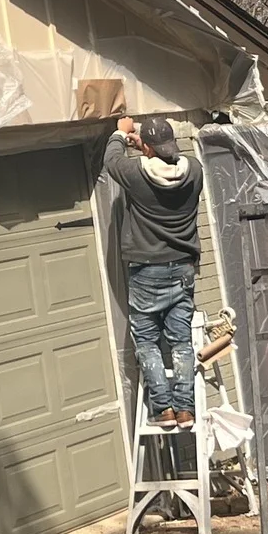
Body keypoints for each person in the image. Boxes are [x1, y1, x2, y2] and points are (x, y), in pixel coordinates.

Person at [102, 114, 204, 429]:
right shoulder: (195, 171)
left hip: (147, 271)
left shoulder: (135, 175)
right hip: (183, 268)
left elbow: (111, 160)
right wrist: (145, 145)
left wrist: (120, 134)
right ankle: (185, 409)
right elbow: (165, 159)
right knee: (180, 341)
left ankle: (163, 409)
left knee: (147, 340)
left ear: (146, 148)